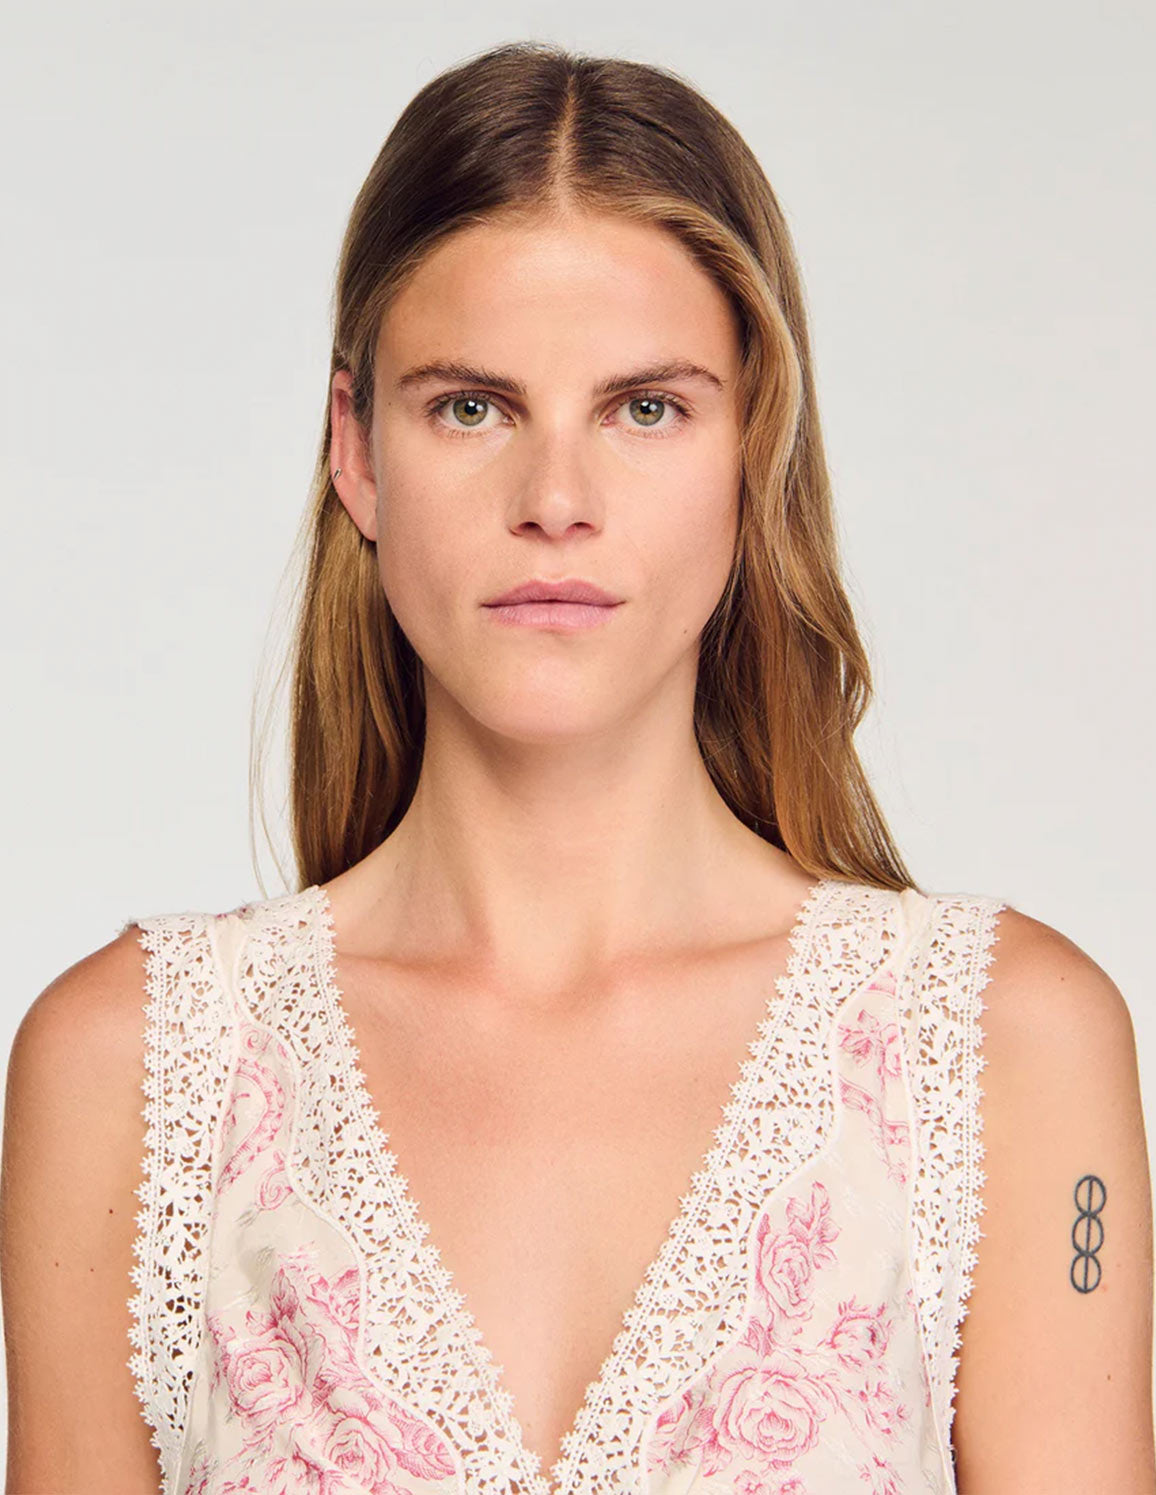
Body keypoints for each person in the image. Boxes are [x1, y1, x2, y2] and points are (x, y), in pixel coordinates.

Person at [2, 39, 1152, 1495]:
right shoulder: (131, 1069)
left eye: (645, 408)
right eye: (470, 407)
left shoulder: (1007, 1050)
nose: (555, 499)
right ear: (357, 452)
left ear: (754, 451)